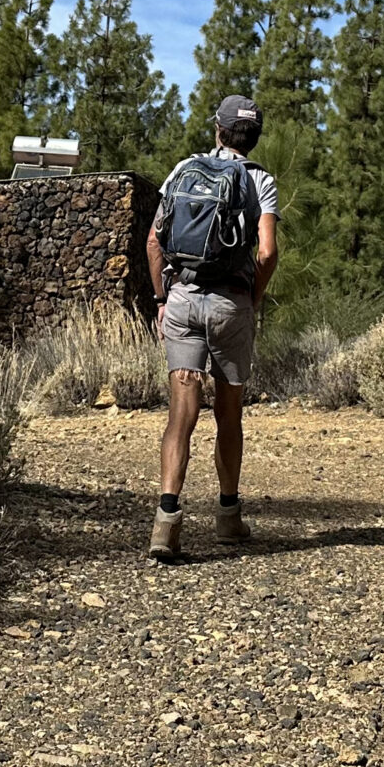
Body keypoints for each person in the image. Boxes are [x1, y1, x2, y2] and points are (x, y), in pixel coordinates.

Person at [145, 95, 282, 562]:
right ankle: (227, 518)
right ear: (254, 137)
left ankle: (166, 522)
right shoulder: (259, 180)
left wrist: (163, 299)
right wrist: (253, 297)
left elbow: (153, 240)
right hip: (230, 304)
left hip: (182, 298)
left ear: (218, 131)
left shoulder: (185, 168)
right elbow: (266, 252)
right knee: (228, 414)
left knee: (180, 415)